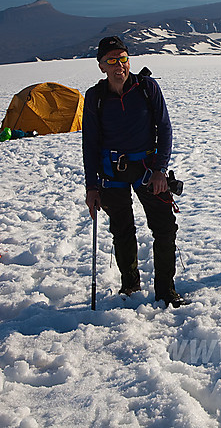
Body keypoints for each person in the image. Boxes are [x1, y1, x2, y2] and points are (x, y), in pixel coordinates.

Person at [82, 35, 190, 307]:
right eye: (111, 60)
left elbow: (164, 129)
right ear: (101, 66)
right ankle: (130, 285)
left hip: (147, 171)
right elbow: (90, 144)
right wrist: (92, 187)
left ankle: (166, 290)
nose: (119, 65)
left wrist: (160, 170)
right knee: (122, 231)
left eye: (123, 58)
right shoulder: (95, 98)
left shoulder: (146, 87)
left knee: (164, 229)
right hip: (111, 173)